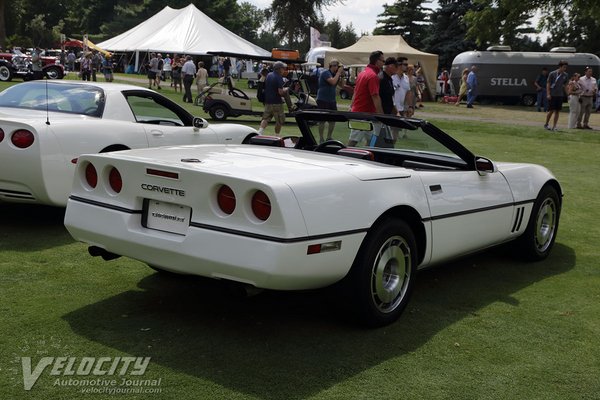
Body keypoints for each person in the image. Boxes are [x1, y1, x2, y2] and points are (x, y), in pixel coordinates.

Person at [348, 50, 385, 146]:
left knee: (370, 141)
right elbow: (375, 97)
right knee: (353, 141)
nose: (383, 64)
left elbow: (356, 92)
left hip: (362, 114)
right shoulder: (373, 76)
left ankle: (365, 158)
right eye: (383, 61)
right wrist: (382, 116)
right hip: (363, 115)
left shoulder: (362, 73)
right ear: (377, 61)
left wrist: (351, 106)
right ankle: (342, 157)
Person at [316, 59, 344, 142]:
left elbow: (342, 86)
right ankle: (321, 138)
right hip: (322, 99)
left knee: (332, 120)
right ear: (332, 66)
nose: (338, 68)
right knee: (322, 120)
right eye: (336, 66)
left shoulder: (335, 74)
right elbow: (332, 82)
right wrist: (338, 73)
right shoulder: (325, 73)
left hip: (331, 100)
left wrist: (341, 76)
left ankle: (329, 137)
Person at [258, 61, 289, 135]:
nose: (284, 69)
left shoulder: (269, 75)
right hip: (277, 103)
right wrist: (286, 90)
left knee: (266, 118)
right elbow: (280, 92)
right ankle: (277, 135)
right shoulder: (279, 77)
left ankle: (260, 132)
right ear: (279, 69)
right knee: (279, 120)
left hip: (268, 102)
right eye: (282, 68)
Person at [545, 60, 569, 131]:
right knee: (551, 110)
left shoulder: (565, 75)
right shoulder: (552, 73)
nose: (565, 69)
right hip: (552, 95)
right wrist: (548, 94)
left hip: (560, 95)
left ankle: (554, 126)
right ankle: (546, 124)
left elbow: (565, 85)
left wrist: (567, 94)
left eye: (566, 67)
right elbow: (548, 84)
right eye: (564, 67)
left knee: (557, 111)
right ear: (560, 66)